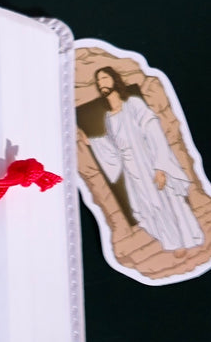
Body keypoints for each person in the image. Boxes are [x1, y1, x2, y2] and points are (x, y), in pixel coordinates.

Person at [86, 67, 203, 253]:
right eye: (98, 80)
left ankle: (184, 239)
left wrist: (160, 166)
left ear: (115, 79)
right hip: (132, 170)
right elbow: (113, 144)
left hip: (148, 162)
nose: (101, 83)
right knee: (148, 205)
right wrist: (92, 142)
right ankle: (170, 242)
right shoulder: (109, 117)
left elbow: (154, 133)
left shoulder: (133, 104)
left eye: (105, 78)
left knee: (165, 200)